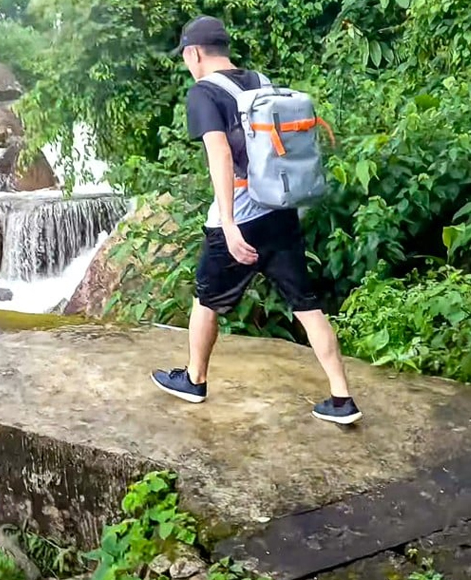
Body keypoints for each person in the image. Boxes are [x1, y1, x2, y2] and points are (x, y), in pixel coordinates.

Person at [150, 16, 362, 425]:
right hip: (280, 211)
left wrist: (229, 223)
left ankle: (194, 380)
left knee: (205, 299)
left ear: (194, 53)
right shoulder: (262, 83)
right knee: (307, 304)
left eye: (185, 57)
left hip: (241, 219)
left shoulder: (204, 93)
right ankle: (342, 398)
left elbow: (220, 154)